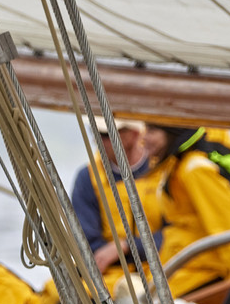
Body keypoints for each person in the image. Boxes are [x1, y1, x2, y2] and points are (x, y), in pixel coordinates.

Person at [145, 124, 230, 295]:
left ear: (172, 133)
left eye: (152, 131)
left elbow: (228, 228)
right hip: (186, 268)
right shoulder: (177, 166)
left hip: (206, 273)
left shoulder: (196, 170)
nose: (144, 138)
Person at [69, 117, 166, 290]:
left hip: (164, 268)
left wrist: (126, 246)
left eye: (106, 134)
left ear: (135, 134)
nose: (97, 140)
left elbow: (176, 233)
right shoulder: (87, 178)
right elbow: (87, 244)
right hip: (110, 275)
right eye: (95, 133)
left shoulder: (164, 170)